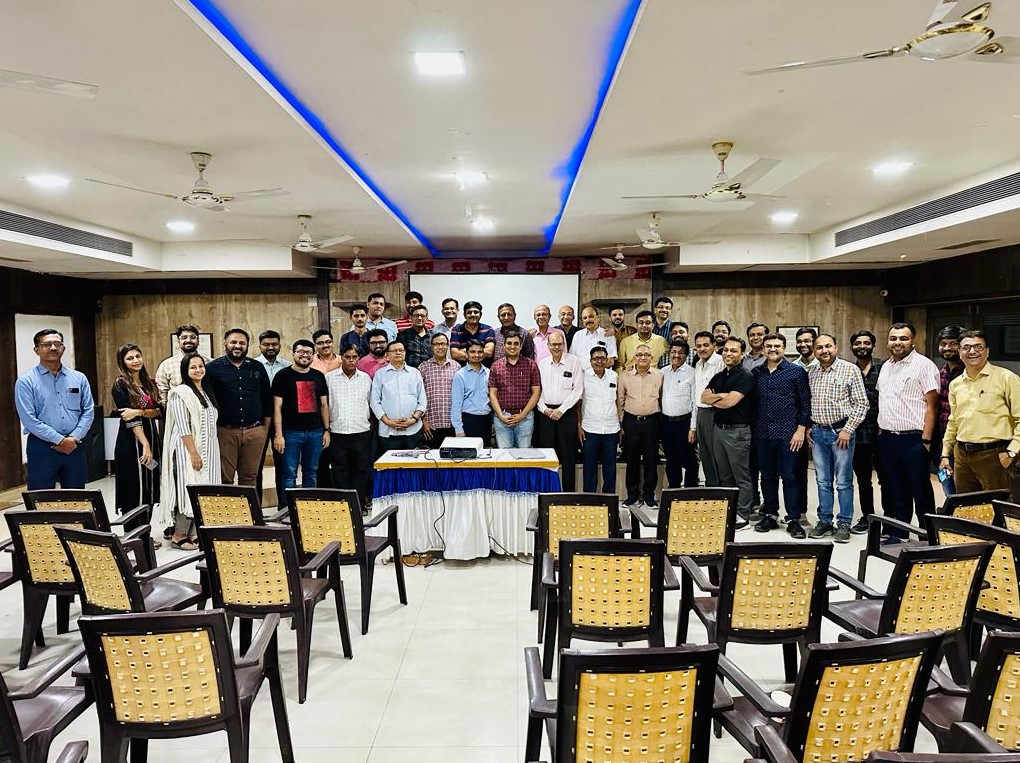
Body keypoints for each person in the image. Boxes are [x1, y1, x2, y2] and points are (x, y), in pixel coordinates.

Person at [877, 322, 939, 541]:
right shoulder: (886, 366)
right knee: (895, 488)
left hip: (914, 438)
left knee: (920, 490)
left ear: (913, 341)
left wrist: (926, 441)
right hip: (888, 438)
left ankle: (928, 535)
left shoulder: (924, 365)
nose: (898, 342)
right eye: (893, 338)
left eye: (903, 338)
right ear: (888, 341)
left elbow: (933, 405)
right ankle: (900, 532)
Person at [806, 334, 869, 543]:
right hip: (818, 433)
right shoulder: (811, 371)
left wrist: (848, 430)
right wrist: (809, 426)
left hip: (841, 433)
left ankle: (844, 523)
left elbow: (862, 403)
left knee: (843, 481)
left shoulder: (850, 369)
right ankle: (825, 521)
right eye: (819, 347)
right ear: (814, 350)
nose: (824, 350)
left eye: (828, 346)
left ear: (836, 347)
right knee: (822, 481)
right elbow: (809, 401)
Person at [15, 329, 95, 490]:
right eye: (46, 344)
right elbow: (29, 419)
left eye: (57, 344)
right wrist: (59, 440)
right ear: (36, 349)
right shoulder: (26, 381)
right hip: (42, 447)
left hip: (74, 445)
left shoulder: (79, 378)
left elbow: (88, 411)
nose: (53, 348)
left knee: (76, 495)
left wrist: (73, 438)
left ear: (63, 348)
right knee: (41, 497)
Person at [940, 330, 1020, 493]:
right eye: (966, 347)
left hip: (994, 455)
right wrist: (945, 454)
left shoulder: (1006, 378)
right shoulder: (956, 384)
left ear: (987, 351)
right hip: (962, 456)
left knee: (998, 505)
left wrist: (1012, 452)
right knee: (967, 504)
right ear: (960, 352)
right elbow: (953, 421)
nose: (972, 351)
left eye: (978, 347)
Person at [751, 334, 810, 537]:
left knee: (790, 477)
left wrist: (801, 430)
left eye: (777, 346)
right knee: (767, 477)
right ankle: (770, 514)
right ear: (763, 349)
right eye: (769, 346)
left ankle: (793, 519)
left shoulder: (796, 371)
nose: (773, 349)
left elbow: (805, 403)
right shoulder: (756, 373)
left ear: (784, 348)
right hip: (762, 433)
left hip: (788, 434)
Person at [159, 353, 219, 550]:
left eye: (200, 366)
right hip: (187, 450)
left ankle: (194, 533)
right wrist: (193, 453)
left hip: (208, 449)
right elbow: (183, 427)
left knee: (203, 489)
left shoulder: (206, 392)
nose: (198, 370)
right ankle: (179, 535)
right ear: (185, 371)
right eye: (193, 367)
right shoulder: (180, 393)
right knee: (187, 489)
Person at [203, 328, 271, 490]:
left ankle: (248, 507)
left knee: (250, 477)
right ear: (225, 344)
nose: (238, 346)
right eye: (233, 342)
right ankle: (228, 508)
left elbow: (267, 398)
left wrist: (265, 429)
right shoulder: (212, 369)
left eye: (242, 343)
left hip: (255, 432)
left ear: (247, 345)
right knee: (225, 478)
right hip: (225, 432)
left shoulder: (257, 367)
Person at [703, 337, 756, 519]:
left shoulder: (746, 376)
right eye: (726, 350)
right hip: (718, 430)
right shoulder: (719, 376)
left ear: (742, 354)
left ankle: (742, 513)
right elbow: (703, 398)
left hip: (737, 432)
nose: (728, 353)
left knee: (741, 475)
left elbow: (729, 403)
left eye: (733, 350)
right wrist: (723, 396)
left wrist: (717, 398)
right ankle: (728, 510)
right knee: (724, 475)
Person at [272, 339, 330, 495]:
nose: (305, 355)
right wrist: (279, 435)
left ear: (313, 355)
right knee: (289, 473)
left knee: (311, 471)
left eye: (309, 352)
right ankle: (288, 507)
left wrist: (326, 430)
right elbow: (277, 407)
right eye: (301, 352)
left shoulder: (318, 376)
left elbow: (324, 405)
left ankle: (308, 504)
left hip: (315, 432)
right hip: (291, 432)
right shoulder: (282, 376)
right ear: (293, 354)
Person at [110, 343, 162, 517]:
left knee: (150, 485)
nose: (135, 361)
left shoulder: (149, 383)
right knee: (133, 486)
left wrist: (139, 411)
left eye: (137, 356)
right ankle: (132, 530)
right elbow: (129, 418)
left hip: (152, 436)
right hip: (132, 441)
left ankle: (146, 529)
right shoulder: (121, 384)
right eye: (130, 358)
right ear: (122, 362)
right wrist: (145, 445)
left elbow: (159, 411)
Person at [849, 329, 888, 534]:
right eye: (858, 343)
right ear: (852, 347)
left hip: (882, 430)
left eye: (866, 343)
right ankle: (867, 517)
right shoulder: (849, 369)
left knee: (886, 478)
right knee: (863, 479)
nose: (862, 346)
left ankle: (890, 519)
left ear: (873, 345)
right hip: (858, 431)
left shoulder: (884, 367)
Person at [326, 346, 373, 510]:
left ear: (358, 358)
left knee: (361, 470)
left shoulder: (366, 378)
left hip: (361, 431)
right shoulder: (329, 378)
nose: (351, 360)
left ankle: (359, 505)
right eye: (347, 357)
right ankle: (343, 506)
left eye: (354, 357)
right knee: (340, 470)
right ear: (341, 358)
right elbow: (325, 405)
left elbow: (370, 403)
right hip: (337, 431)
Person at [536, 330, 583, 490]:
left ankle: (568, 494)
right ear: (548, 346)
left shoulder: (574, 362)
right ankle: (547, 492)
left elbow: (577, 390)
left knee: (568, 455)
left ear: (564, 345)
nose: (556, 347)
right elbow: (537, 391)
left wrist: (561, 410)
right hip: (546, 414)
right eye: (553, 344)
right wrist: (544, 409)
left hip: (567, 413)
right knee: (547, 455)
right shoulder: (542, 364)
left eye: (559, 344)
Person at [617, 343, 663, 508]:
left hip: (652, 422)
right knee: (632, 459)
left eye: (646, 355)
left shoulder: (659, 375)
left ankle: (649, 496)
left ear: (651, 358)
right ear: (634, 357)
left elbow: (661, 398)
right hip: (631, 422)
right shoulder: (624, 376)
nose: (643, 357)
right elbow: (620, 400)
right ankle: (632, 495)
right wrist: (622, 424)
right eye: (639, 355)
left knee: (651, 459)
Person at [371, 341, 428, 453]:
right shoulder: (380, 374)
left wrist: (413, 419)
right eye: (394, 351)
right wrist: (388, 421)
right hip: (388, 431)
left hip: (413, 430)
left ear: (405, 353)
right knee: (390, 462)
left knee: (413, 462)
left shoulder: (415, 373)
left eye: (401, 350)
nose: (398, 353)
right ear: (387, 355)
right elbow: (374, 401)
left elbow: (422, 400)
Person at [488, 330, 541, 448]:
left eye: (516, 343)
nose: (512, 346)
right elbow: (492, 394)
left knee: (524, 454)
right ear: (504, 345)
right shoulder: (496, 366)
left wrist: (522, 415)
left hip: (525, 418)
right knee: (504, 455)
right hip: (502, 418)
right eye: (509, 343)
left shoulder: (531, 365)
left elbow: (536, 392)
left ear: (521, 346)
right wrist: (501, 415)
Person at [579, 346, 619, 494]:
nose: (599, 361)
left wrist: (621, 425)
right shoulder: (583, 377)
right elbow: (578, 404)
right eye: (596, 358)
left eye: (602, 358)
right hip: (590, 428)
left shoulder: (614, 376)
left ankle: (609, 498)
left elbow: (618, 401)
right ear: (590, 361)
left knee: (610, 468)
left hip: (611, 429)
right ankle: (590, 499)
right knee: (589, 467)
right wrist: (578, 426)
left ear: (607, 360)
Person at [255, 329, 288, 504]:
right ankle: (256, 507)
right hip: (259, 421)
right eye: (266, 344)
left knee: (283, 465)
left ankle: (283, 506)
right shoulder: (253, 366)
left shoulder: (287, 366)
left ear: (279, 345)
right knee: (256, 465)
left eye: (274, 344)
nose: (270, 347)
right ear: (260, 345)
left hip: (282, 422)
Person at [660, 339, 698, 489]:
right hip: (666, 423)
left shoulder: (692, 373)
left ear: (686, 355)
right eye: (673, 352)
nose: (676, 355)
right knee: (671, 458)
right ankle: (674, 488)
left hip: (684, 423)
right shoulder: (663, 372)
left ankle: (690, 490)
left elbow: (695, 403)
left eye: (680, 353)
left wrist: (693, 428)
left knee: (689, 459)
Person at [933, 325, 966, 496]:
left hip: (963, 443)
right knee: (947, 484)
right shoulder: (941, 373)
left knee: (966, 491)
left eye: (953, 343)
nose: (947, 348)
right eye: (943, 344)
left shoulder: (968, 373)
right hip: (942, 442)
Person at [691, 330, 724, 487]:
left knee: (717, 455)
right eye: (699, 346)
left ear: (714, 345)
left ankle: (721, 490)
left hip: (716, 412)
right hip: (701, 413)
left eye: (706, 345)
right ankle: (711, 487)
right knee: (705, 455)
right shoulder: (698, 364)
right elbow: (696, 396)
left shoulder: (721, 362)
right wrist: (693, 426)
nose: (702, 349)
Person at [419, 333, 459, 444]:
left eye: (443, 344)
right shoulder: (423, 367)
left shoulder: (456, 367)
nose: (440, 347)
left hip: (452, 423)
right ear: (431, 346)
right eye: (436, 344)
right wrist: (423, 421)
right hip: (431, 424)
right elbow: (417, 396)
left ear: (447, 346)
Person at [450, 339, 493, 444]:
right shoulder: (460, 375)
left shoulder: (489, 373)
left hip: (486, 420)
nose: (476, 355)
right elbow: (456, 404)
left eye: (480, 352)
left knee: (485, 452)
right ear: (466, 354)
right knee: (469, 453)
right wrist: (458, 429)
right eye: (473, 352)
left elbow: (492, 399)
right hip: (468, 420)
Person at [155, 325, 200, 405]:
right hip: (177, 408)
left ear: (198, 340)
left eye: (193, 337)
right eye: (184, 337)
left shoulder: (209, 363)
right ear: (178, 341)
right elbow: (162, 393)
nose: (188, 340)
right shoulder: (166, 365)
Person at [571, 306, 617, 371]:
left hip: (601, 375)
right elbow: (572, 358)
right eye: (585, 318)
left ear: (598, 318)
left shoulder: (608, 335)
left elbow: (610, 361)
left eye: (591, 316)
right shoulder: (578, 335)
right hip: (581, 375)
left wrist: (594, 373)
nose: (588, 320)